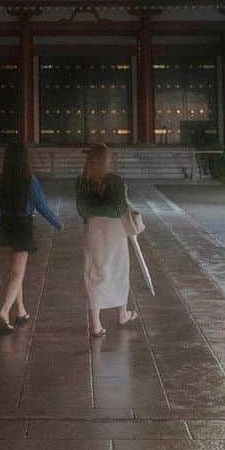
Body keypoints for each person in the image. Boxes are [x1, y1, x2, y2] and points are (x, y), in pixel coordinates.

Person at [0, 142, 62, 335]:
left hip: (7, 225)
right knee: (18, 274)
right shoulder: (30, 180)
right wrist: (57, 223)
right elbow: (41, 205)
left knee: (15, 272)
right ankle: (4, 311)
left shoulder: (1, 180)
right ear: (24, 159)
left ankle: (21, 311)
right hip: (23, 226)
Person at [76, 143, 138, 337]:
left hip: (93, 231)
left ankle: (96, 324)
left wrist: (94, 212)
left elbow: (82, 210)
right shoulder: (116, 181)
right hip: (115, 232)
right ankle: (122, 314)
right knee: (119, 271)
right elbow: (118, 209)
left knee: (94, 273)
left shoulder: (81, 182)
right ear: (105, 160)